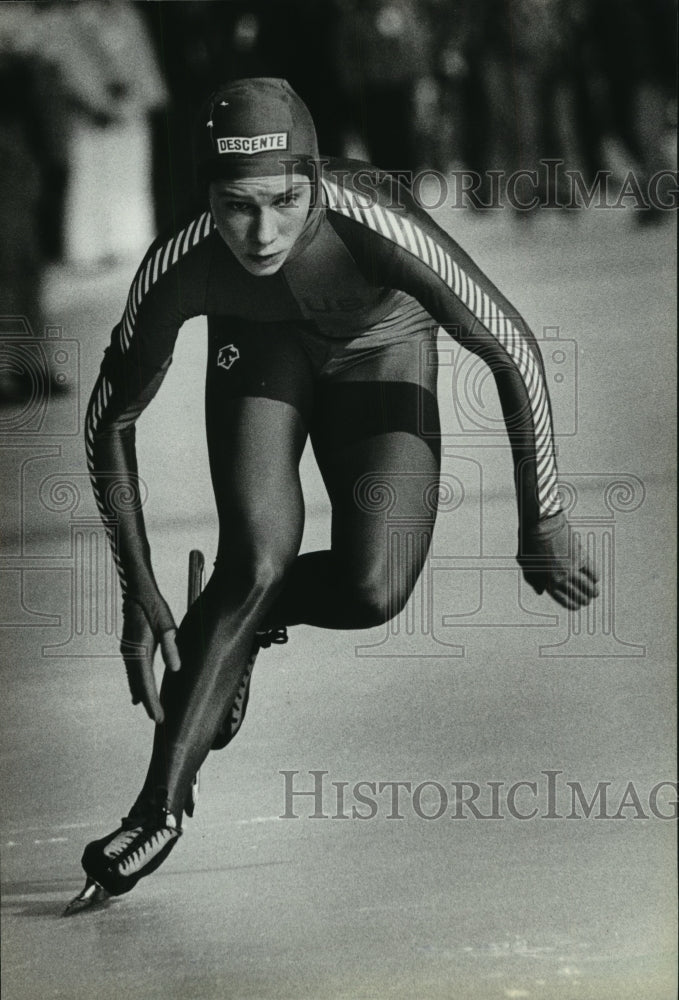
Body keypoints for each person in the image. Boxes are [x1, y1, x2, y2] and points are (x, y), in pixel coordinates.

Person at [74, 78, 598, 901]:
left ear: (315, 179)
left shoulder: (372, 220)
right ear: (206, 197)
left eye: (285, 201)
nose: (262, 234)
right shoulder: (180, 261)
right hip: (263, 349)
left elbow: (512, 350)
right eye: (236, 207)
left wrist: (543, 518)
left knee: (371, 588)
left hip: (380, 346)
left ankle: (243, 621)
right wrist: (137, 589)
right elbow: (109, 421)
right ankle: (157, 810)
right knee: (257, 560)